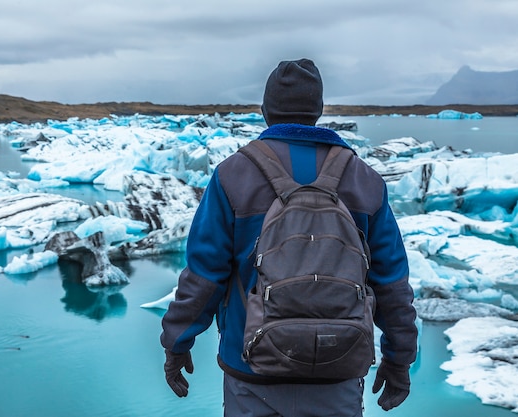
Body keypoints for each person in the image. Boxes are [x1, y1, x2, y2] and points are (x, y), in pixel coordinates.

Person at [160, 58, 418, 416]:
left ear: (266, 110)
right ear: (319, 110)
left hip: (252, 370)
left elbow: (204, 275)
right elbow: (390, 283)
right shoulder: (363, 179)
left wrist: (176, 342)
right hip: (339, 368)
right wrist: (399, 358)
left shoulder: (234, 175)